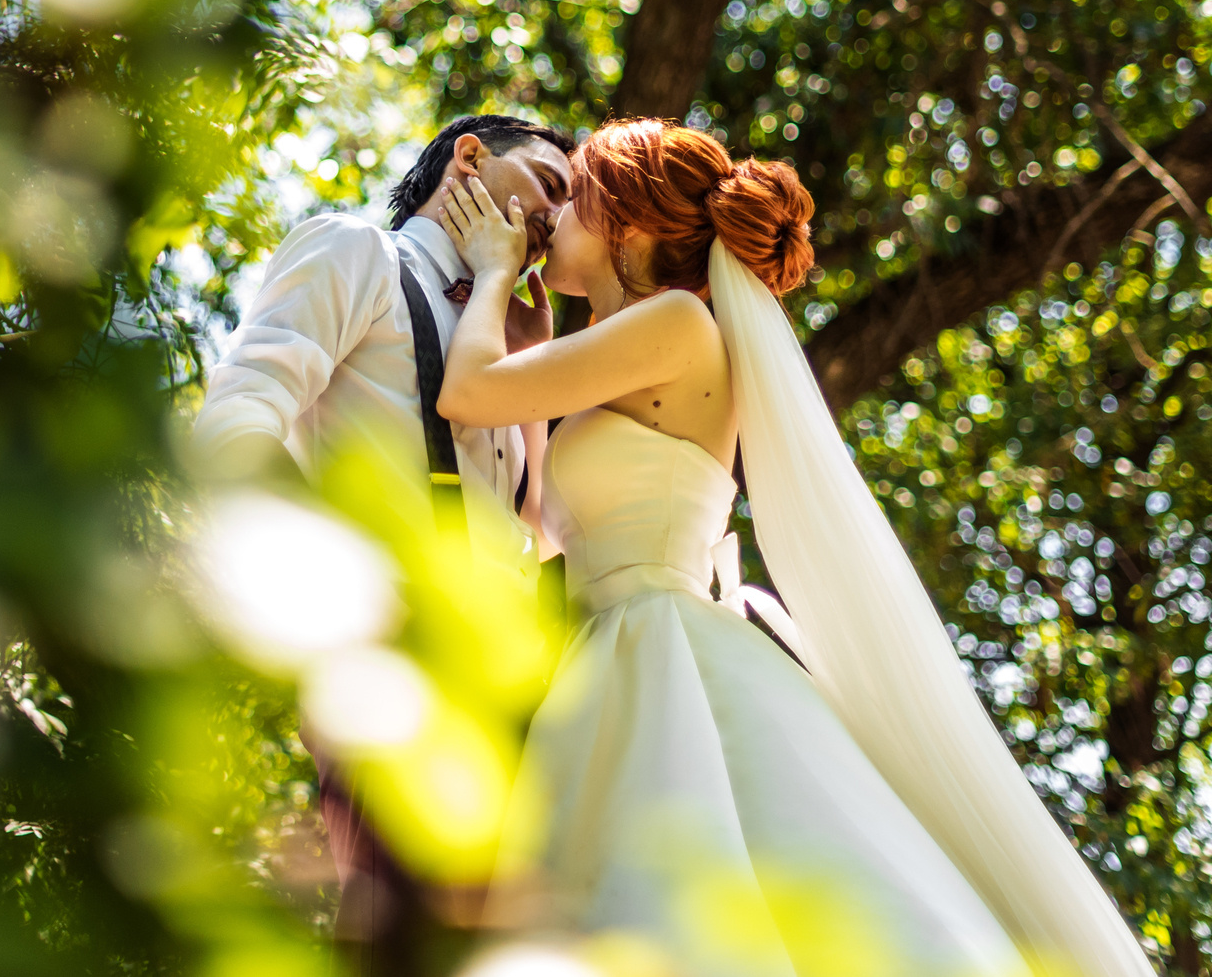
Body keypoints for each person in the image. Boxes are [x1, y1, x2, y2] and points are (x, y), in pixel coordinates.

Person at [434, 118, 1154, 977]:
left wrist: (490, 271)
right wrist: (533, 349)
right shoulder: (636, 349)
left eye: (575, 200)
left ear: (628, 224)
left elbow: (465, 392)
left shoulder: (676, 322)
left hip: (654, 644)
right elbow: (550, 523)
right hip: (608, 643)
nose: (554, 220)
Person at [187, 113, 576, 972]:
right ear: (469, 157)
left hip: (514, 701)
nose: (560, 214)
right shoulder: (356, 250)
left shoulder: (499, 333)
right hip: (392, 673)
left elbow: (539, 538)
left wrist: (529, 365)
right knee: (403, 937)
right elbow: (235, 426)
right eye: (551, 182)